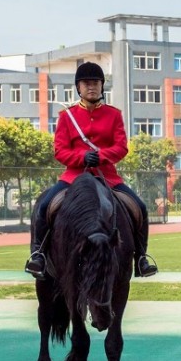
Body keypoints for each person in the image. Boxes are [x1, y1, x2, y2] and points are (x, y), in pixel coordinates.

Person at [24, 62, 158, 279]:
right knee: (45, 206)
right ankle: (38, 254)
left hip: (108, 177)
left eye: (95, 82)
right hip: (74, 176)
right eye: (86, 83)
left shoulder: (114, 115)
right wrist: (81, 157)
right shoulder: (67, 116)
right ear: (78, 87)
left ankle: (141, 257)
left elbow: (121, 146)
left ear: (102, 86)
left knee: (140, 207)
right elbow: (60, 150)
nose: (91, 87)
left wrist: (101, 156)